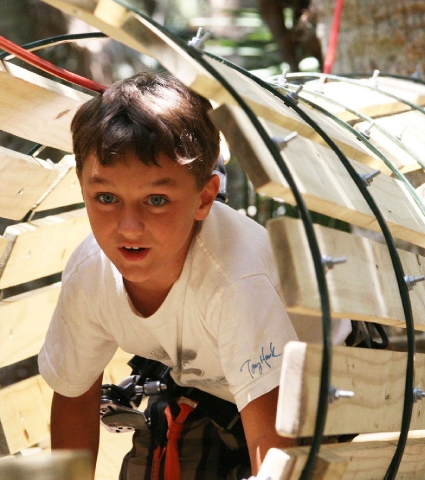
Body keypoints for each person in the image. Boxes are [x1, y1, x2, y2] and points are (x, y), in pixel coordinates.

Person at [38, 71, 298, 478]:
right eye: (106, 198)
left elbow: (279, 448)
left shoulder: (233, 282)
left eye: (156, 200)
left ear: (205, 197)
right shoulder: (91, 274)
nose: (129, 226)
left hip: (314, 402)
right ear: (82, 187)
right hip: (208, 394)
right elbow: (74, 396)